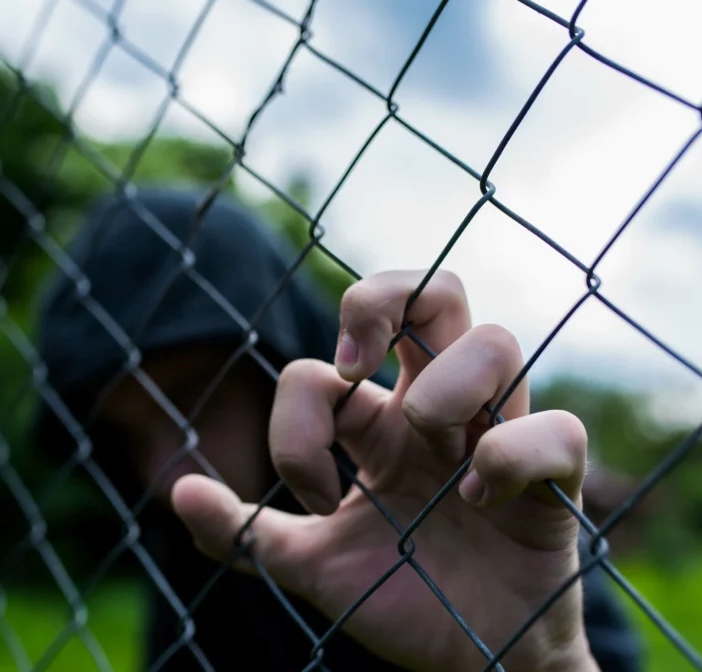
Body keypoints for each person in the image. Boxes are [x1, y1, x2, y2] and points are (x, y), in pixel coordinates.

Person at [33, 187, 644, 671]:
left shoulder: (455, 472)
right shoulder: (193, 538)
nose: (166, 472)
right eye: (131, 435)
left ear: (269, 361)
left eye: (195, 400)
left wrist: (540, 662)